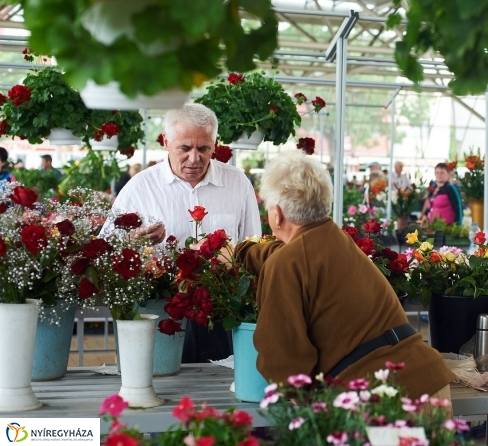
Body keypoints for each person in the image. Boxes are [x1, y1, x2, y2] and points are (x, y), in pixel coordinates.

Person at [232, 149, 454, 400]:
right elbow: (287, 254)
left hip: (379, 397)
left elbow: (285, 363)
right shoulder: (336, 240)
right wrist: (239, 251)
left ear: (277, 213)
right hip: (428, 378)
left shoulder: (287, 263)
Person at [110, 103, 261, 362]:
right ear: (166, 142)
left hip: (221, 314)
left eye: (203, 148)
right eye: (185, 148)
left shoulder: (237, 183)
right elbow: (108, 244)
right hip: (160, 312)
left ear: (215, 144)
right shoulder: (139, 188)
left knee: (219, 387)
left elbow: (252, 249)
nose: (194, 158)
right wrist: (134, 241)